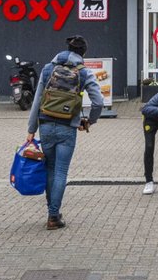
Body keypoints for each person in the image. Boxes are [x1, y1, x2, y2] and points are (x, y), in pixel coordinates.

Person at [25, 35, 104, 230]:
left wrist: (30, 130)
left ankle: (52, 212)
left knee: (49, 169)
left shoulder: (48, 69)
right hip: (68, 127)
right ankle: (53, 216)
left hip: (45, 124)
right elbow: (99, 102)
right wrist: (89, 121)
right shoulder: (84, 72)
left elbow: (37, 101)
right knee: (60, 172)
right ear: (83, 53)